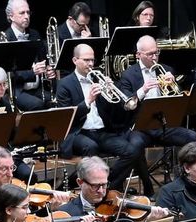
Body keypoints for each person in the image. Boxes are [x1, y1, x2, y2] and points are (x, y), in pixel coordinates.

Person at [117, 36, 196, 192]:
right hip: (140, 127)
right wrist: (143, 90)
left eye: (156, 53)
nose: (154, 57)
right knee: (135, 146)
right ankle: (148, 188)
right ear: (138, 55)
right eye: (150, 54)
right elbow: (126, 105)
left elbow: (177, 99)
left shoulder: (166, 69)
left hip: (164, 124)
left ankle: (184, 182)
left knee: (193, 137)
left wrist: (174, 83)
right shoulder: (128, 75)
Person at [56, 44, 145, 191]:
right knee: (91, 147)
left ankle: (107, 184)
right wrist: (87, 101)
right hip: (78, 132)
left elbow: (114, 110)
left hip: (101, 131)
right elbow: (66, 117)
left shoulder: (98, 79)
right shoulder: (64, 84)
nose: (90, 64)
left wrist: (111, 89)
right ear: (74, 60)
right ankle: (91, 188)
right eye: (86, 60)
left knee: (131, 151)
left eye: (92, 60)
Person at [0, 0, 56, 112]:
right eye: (22, 13)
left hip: (38, 88)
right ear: (11, 16)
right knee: (37, 105)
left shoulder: (35, 34)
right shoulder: (5, 38)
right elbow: (5, 74)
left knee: (57, 100)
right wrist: (32, 72)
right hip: (16, 90)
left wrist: (48, 71)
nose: (26, 16)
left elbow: (43, 60)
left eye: (28, 13)